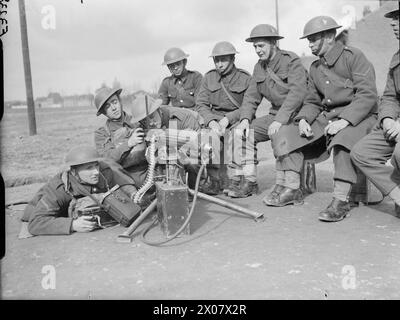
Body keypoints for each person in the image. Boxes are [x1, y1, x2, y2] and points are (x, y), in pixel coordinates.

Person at [273, 16, 378, 222]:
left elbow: (367, 95)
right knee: (286, 133)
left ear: (330, 36)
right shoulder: (315, 67)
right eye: (308, 40)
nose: (310, 44)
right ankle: (292, 188)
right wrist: (303, 119)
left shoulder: (354, 56)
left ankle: (341, 200)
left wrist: (345, 120)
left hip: (361, 117)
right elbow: (313, 101)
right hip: (329, 118)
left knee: (342, 139)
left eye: (314, 39)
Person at [232, 24, 309, 202]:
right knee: (240, 133)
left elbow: (297, 93)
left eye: (261, 46)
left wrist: (280, 119)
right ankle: (249, 182)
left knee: (281, 134)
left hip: (297, 114)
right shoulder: (259, 67)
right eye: (255, 47)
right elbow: (251, 96)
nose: (258, 50)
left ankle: (290, 186)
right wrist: (244, 119)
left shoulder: (291, 61)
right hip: (275, 115)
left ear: (274, 43)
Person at [351, 3, 400, 216]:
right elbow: (390, 95)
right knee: (362, 153)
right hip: (396, 123)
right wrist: (388, 118)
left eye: (398, 18)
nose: (393, 23)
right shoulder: (397, 57)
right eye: (393, 18)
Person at [21, 146, 138, 236]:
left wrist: (132, 194)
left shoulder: (104, 170)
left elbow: (123, 184)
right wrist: (72, 225)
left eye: (96, 166)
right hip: (45, 209)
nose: (96, 172)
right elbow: (35, 223)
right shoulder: (60, 188)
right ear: (73, 172)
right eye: (89, 168)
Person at [195, 41, 252, 195]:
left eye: (223, 60)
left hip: (237, 119)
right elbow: (201, 104)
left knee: (238, 137)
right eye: (216, 60)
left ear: (233, 59)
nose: (219, 64)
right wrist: (211, 121)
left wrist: (229, 118)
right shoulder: (209, 78)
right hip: (215, 120)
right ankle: (214, 181)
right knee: (207, 140)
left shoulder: (245, 78)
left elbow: (249, 105)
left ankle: (237, 181)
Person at [94, 87, 152, 186]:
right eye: (107, 106)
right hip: (122, 180)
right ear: (103, 112)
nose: (113, 108)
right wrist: (129, 143)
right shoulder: (102, 133)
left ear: (120, 101)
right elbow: (107, 160)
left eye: (114, 102)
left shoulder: (139, 120)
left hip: (149, 173)